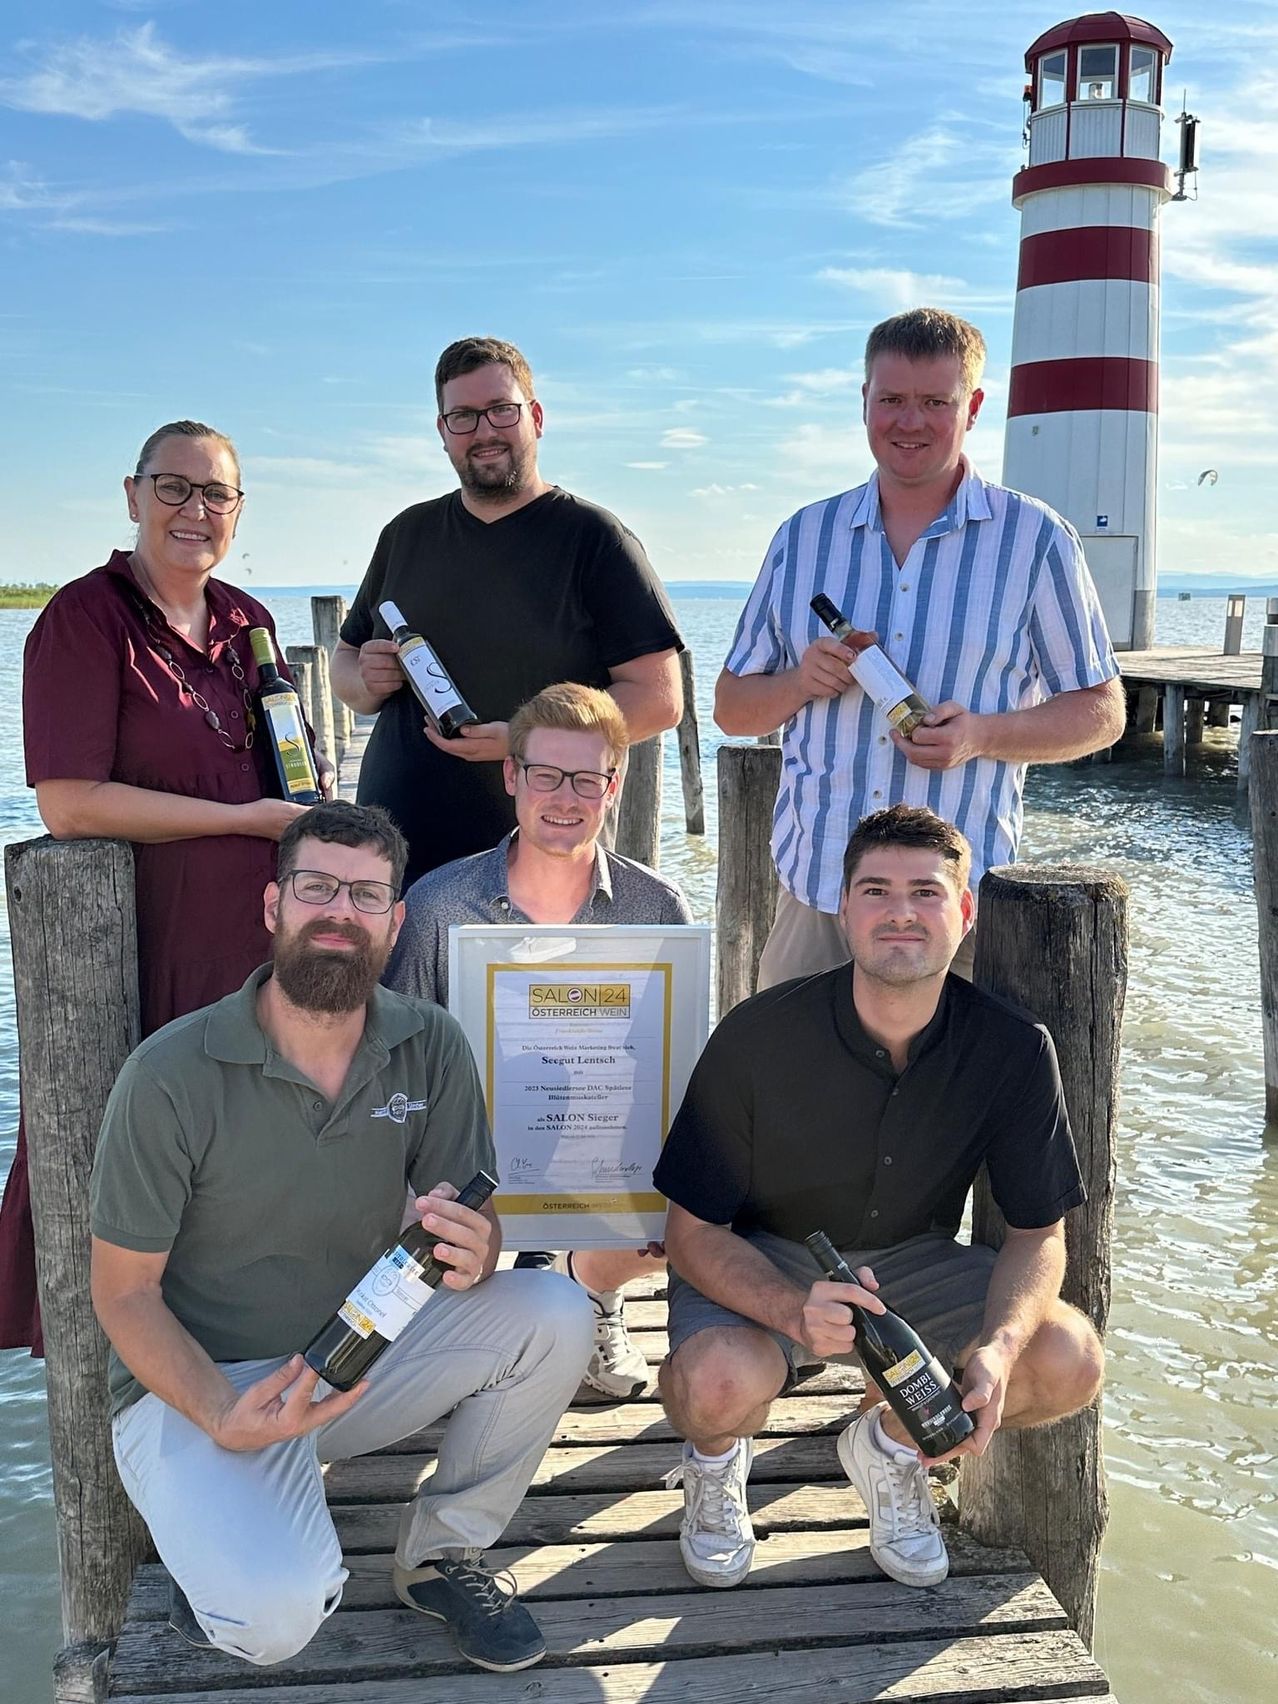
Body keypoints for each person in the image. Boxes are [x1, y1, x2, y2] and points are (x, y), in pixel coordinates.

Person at [89, 801, 593, 1674]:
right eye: (316, 886)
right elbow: (122, 1292)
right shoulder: (168, 1072)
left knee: (555, 1307)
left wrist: (478, 1247)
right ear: (273, 906)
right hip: (199, 1389)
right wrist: (217, 1410)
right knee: (275, 1622)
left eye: (365, 895)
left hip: (353, 1356)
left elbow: (469, 1214)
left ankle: (441, 1554)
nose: (339, 911)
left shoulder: (430, 1040)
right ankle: (222, 1537)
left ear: (396, 923)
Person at [652, 805, 1104, 1592]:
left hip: (915, 1257)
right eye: (876, 890)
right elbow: (691, 1232)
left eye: (927, 893)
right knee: (716, 1383)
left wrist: (995, 1350)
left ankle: (892, 1448)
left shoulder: (1014, 1047)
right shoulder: (757, 1034)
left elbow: (1039, 1234)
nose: (901, 912)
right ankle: (715, 1466)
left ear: (965, 913)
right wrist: (794, 1313)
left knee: (1066, 1359)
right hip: (763, 1253)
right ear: (842, 910)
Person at [0, 420, 324, 1354]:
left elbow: (292, 779)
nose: (195, 510)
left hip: (252, 956)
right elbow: (67, 804)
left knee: (245, 1186)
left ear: (239, 511)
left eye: (215, 493)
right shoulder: (84, 617)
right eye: (173, 488)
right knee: (141, 1189)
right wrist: (243, 821)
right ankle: (139, 1422)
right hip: (141, 959)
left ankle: (254, 1391)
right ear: (133, 495)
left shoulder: (248, 623)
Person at [715, 307, 1126, 990]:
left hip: (956, 915)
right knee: (792, 1096)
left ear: (974, 407)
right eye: (893, 401)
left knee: (958, 1099)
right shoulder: (802, 538)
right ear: (865, 402)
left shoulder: (1036, 540)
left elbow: (1103, 711)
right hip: (821, 905)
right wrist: (797, 684)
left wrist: (982, 734)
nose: (911, 422)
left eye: (935, 402)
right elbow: (732, 708)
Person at [385, 682, 692, 1400]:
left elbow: (674, 1065)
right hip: (467, 1151)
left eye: (587, 778)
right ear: (512, 775)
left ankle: (594, 1291)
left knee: (690, 1204)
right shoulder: (438, 903)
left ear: (614, 787)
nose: (566, 795)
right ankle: (474, 1322)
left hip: (600, 1147)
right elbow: (397, 1057)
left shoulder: (659, 908)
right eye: (547, 774)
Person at [330, 336, 685, 889]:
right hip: (393, 859)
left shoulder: (595, 540)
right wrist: (363, 678)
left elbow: (659, 700)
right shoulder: (407, 534)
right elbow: (348, 661)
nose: (484, 431)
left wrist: (525, 740)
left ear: (535, 417)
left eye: (501, 410)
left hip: (536, 869)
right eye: (464, 417)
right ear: (443, 432)